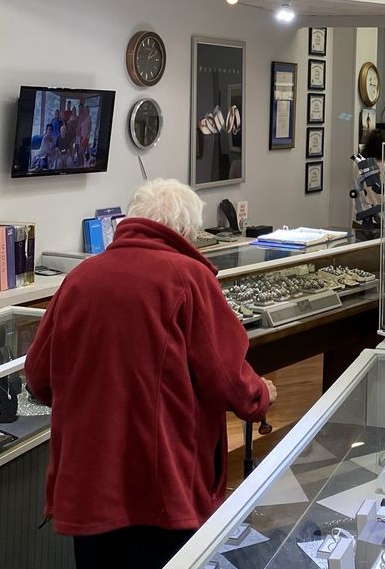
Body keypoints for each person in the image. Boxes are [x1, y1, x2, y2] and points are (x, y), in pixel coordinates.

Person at [24, 178, 276, 569]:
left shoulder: (80, 278)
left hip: (89, 484)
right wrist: (261, 396)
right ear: (185, 230)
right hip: (163, 486)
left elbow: (39, 378)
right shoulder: (189, 278)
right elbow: (227, 378)